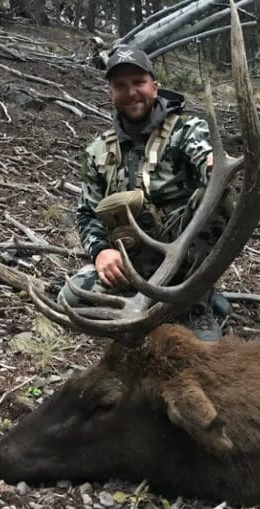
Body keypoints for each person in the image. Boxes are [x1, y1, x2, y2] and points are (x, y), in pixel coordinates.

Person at [59, 46, 231, 341]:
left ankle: (195, 303)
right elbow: (87, 213)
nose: (131, 93)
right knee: (69, 300)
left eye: (138, 82)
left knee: (214, 196)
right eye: (120, 86)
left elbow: (207, 161)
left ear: (154, 85)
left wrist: (214, 166)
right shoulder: (98, 150)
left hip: (182, 260)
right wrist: (101, 252)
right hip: (132, 265)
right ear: (111, 93)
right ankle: (157, 304)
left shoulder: (187, 131)